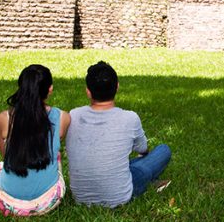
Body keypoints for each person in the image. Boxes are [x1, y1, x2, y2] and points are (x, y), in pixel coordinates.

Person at [67, 61, 171, 208]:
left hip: (80, 198)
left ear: (88, 91)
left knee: (121, 165)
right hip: (120, 196)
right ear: (117, 87)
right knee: (163, 150)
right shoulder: (130, 118)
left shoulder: (74, 115)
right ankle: (146, 182)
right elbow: (143, 149)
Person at [0, 64, 71, 215]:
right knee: (54, 156)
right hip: (48, 201)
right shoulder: (63, 117)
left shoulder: (4, 119)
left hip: (7, 202)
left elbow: (6, 157)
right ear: (49, 89)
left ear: (21, 87)